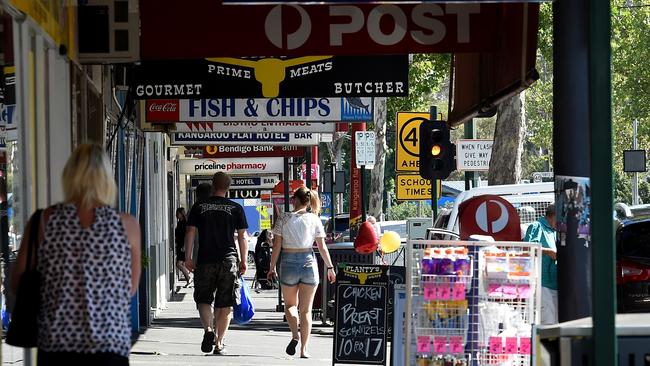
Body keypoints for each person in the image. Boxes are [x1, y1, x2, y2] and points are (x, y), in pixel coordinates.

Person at [10, 143, 141, 365]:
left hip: (57, 345)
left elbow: (17, 281)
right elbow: (130, 287)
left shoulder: (43, 221)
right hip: (110, 345)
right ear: (106, 180)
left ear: (70, 175)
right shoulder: (126, 225)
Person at [268, 186, 336, 359]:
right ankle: (304, 349)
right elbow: (322, 247)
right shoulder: (314, 219)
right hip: (308, 262)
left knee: (290, 306)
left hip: (288, 262)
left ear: (295, 200)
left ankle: (295, 335)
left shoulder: (283, 218)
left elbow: (276, 246)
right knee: (306, 311)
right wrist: (330, 268)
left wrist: (271, 268)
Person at [184, 172, 248, 355]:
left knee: (203, 299)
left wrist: (188, 257)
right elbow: (243, 236)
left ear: (213, 185)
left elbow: (190, 232)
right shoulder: (235, 208)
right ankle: (219, 343)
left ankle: (208, 331)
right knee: (225, 303)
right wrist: (243, 260)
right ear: (228, 188)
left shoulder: (199, 206)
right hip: (228, 260)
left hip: (205, 260)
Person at [523, 204, 558, 325]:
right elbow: (528, 248)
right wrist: (548, 252)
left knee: (555, 321)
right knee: (548, 320)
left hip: (554, 283)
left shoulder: (554, 231)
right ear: (554, 216)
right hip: (542, 283)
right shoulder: (537, 226)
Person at [175, 207, 191, 287]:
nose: (176, 215)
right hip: (179, 245)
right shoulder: (179, 222)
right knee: (182, 263)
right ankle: (188, 280)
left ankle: (189, 278)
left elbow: (186, 235)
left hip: (182, 245)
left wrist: (184, 246)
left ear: (181, 214)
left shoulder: (184, 223)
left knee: (179, 264)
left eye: (178, 213)